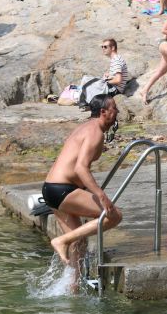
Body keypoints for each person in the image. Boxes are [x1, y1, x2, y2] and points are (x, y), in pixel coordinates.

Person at [42, 94, 123, 271]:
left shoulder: (84, 127)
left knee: (79, 242)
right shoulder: (95, 133)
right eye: (114, 108)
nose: (117, 112)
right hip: (63, 189)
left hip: (50, 189)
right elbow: (80, 168)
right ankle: (61, 241)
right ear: (103, 112)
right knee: (114, 215)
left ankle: (73, 288)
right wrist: (101, 196)